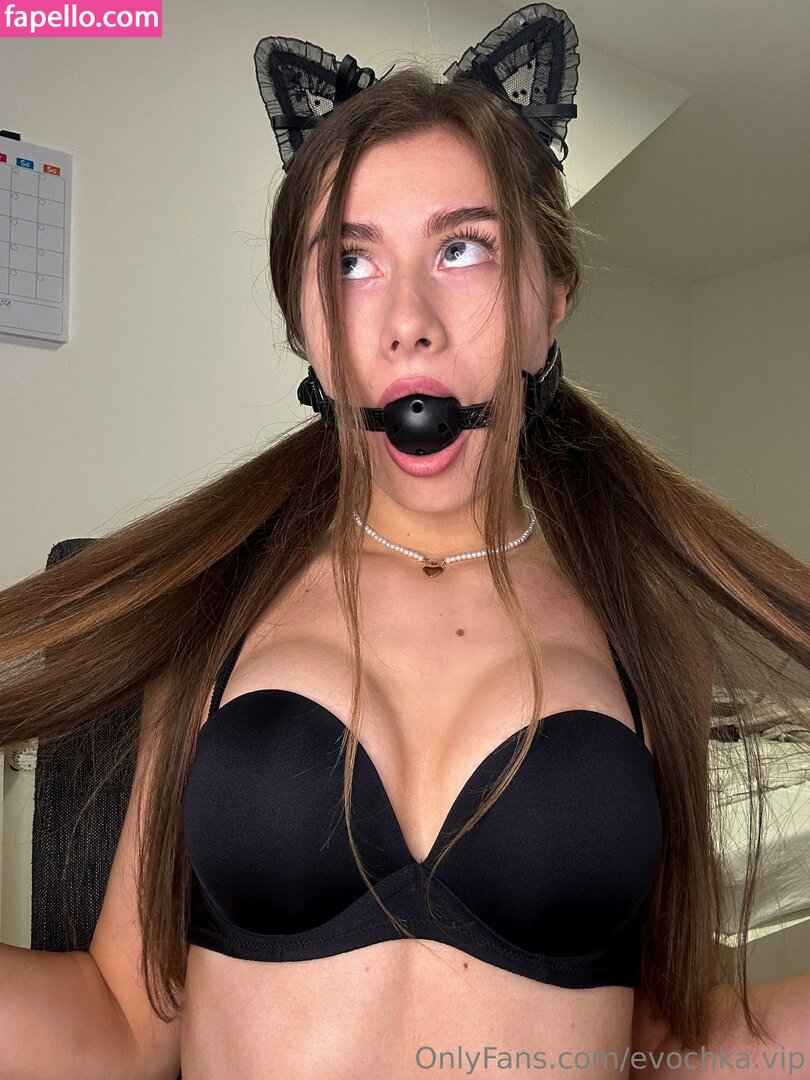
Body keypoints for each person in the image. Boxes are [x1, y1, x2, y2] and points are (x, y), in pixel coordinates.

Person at [1, 6, 809, 1078]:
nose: (407, 321)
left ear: (549, 301)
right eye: (352, 263)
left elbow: (656, 1041)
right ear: (307, 329)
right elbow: (121, 1018)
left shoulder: (646, 629)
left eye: (463, 249)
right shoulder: (220, 604)